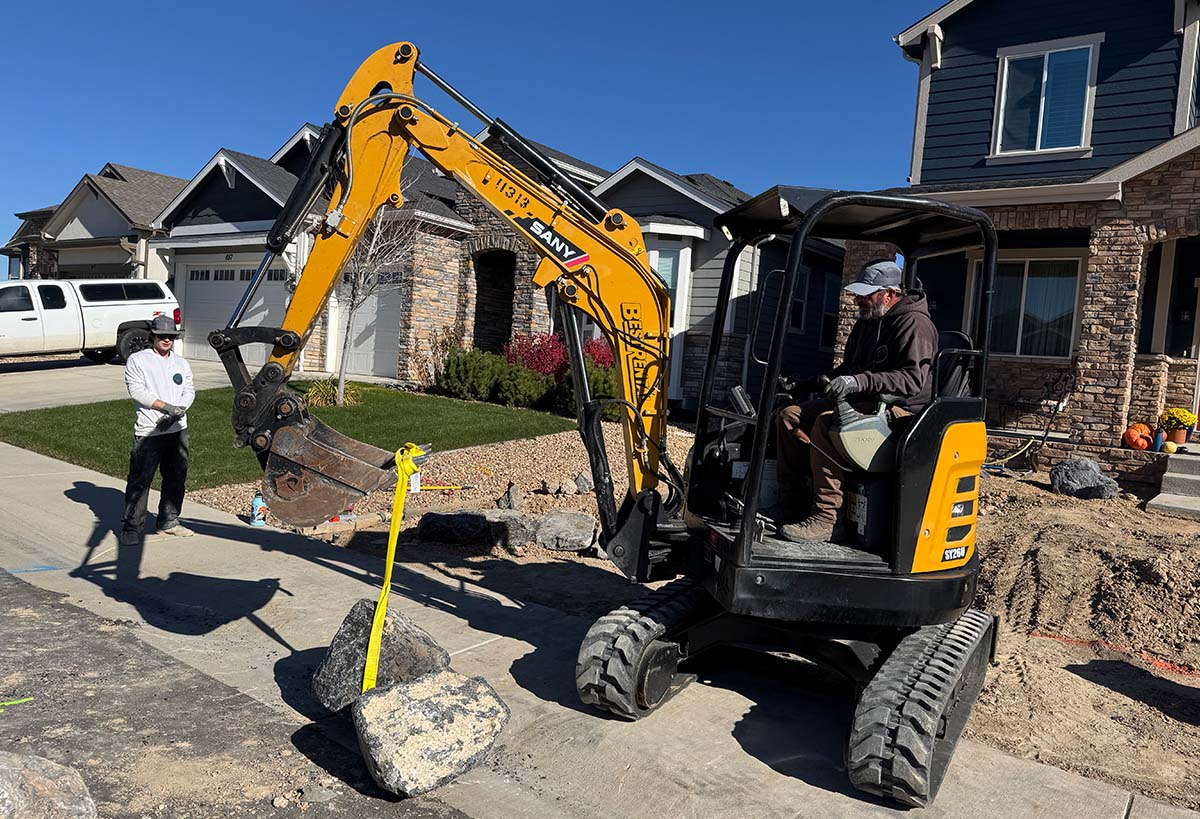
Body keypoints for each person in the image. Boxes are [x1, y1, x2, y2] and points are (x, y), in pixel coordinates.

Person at [773, 259, 937, 542]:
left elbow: (912, 381)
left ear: (889, 293)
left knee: (827, 425)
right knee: (789, 416)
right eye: (859, 292)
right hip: (864, 402)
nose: (858, 298)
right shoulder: (868, 321)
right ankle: (792, 504)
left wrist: (858, 382)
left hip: (902, 413)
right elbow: (849, 370)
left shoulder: (914, 324)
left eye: (866, 293)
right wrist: (810, 382)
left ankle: (827, 519)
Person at [119, 315, 195, 545]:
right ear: (152, 336)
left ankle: (169, 521)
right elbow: (137, 391)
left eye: (171, 336)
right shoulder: (138, 360)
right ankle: (132, 527)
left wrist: (180, 408)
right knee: (140, 480)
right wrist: (165, 408)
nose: (167, 340)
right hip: (149, 431)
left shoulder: (181, 363)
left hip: (177, 430)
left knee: (176, 477)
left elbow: (189, 389)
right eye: (162, 336)